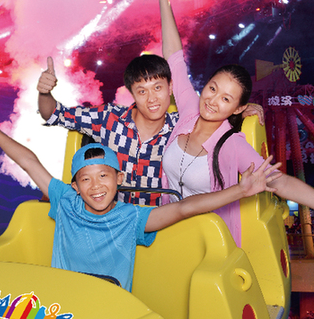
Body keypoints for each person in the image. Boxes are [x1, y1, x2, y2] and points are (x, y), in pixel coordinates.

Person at [0, 93, 280, 290]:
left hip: (110, 312)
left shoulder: (132, 217)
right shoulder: (65, 201)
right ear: (74, 186)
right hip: (62, 310)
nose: (96, 186)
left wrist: (240, 189)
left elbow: (185, 208)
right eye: (86, 179)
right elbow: (28, 161)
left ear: (119, 179)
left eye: (103, 176)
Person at [150, 0, 314, 247]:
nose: (213, 100)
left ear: (238, 108)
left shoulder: (232, 144)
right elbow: (173, 56)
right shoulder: (188, 110)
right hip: (169, 236)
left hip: (210, 245)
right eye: (212, 89)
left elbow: (279, 182)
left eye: (226, 99)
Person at [38, 53, 264, 206]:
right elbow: (54, 114)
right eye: (142, 91)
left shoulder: (182, 126)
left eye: (158, 88)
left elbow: (213, 116)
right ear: (132, 93)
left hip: (159, 224)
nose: (152, 98)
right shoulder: (109, 118)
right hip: (112, 220)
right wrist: (45, 93)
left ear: (170, 88)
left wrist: (239, 110)